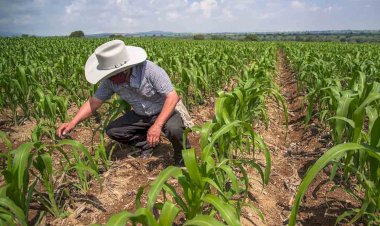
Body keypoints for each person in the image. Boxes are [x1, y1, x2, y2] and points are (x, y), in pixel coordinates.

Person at [56, 40, 192, 166]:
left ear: (127, 68)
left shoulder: (149, 70)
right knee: (113, 130)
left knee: (174, 129)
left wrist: (157, 125)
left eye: (117, 75)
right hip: (141, 114)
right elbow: (94, 102)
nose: (113, 80)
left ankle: (182, 156)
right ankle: (147, 145)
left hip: (165, 110)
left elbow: (172, 97)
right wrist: (73, 122)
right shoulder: (110, 80)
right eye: (110, 76)